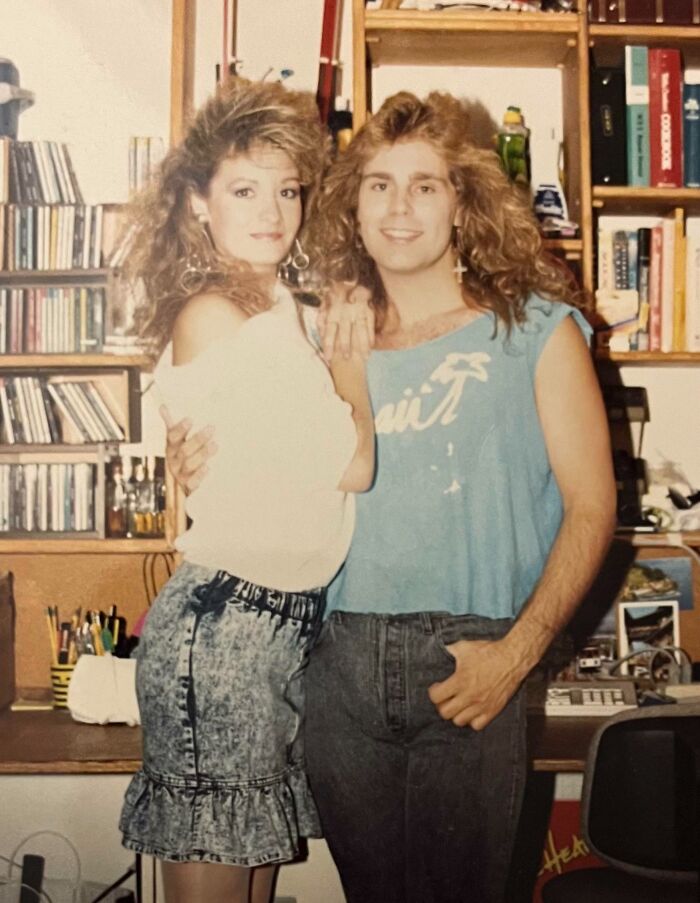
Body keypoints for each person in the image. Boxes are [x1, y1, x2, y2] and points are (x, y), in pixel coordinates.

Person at [164, 89, 616, 903]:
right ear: (352, 204)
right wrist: (183, 460)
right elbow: (236, 466)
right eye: (377, 183)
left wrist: (517, 655)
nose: (398, 207)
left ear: (462, 203)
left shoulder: (537, 329)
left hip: (472, 662)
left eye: (425, 184)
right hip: (334, 662)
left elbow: (594, 507)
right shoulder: (316, 335)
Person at [118, 77, 375, 903]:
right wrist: (352, 361)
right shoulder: (217, 314)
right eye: (243, 189)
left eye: (287, 189)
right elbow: (354, 465)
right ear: (199, 202)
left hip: (274, 633)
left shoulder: (283, 312)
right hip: (225, 632)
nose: (273, 210)